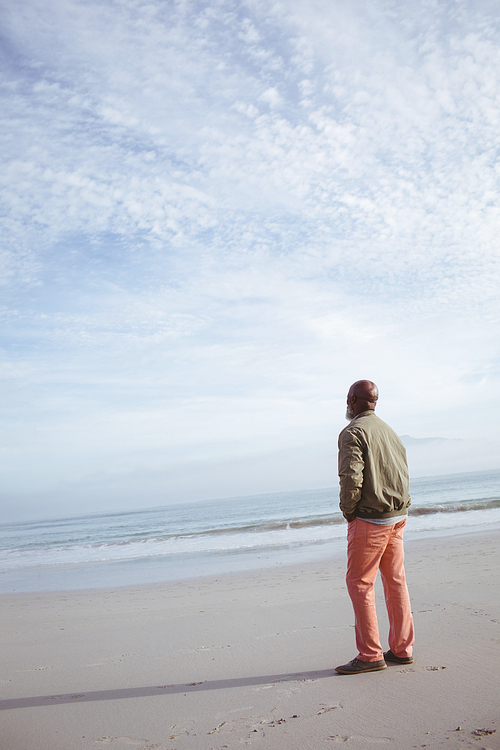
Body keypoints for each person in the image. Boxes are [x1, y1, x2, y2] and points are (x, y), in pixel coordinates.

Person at [335, 380, 415, 675]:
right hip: (397, 516)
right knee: (396, 581)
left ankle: (370, 654)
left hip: (371, 520)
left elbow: (350, 478)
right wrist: (402, 506)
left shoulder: (353, 432)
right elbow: (402, 471)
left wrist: (349, 512)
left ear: (352, 400)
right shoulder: (389, 431)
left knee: (360, 584)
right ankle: (402, 648)